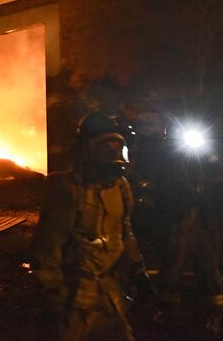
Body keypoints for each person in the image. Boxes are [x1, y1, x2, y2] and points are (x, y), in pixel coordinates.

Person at [29, 111, 155, 341]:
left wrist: (138, 272)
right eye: (106, 148)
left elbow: (125, 233)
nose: (114, 156)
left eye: (119, 148)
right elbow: (47, 251)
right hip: (73, 300)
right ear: (86, 150)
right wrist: (53, 299)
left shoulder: (121, 187)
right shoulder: (67, 191)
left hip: (109, 293)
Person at [154, 123, 223, 335]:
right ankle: (167, 309)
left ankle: (214, 313)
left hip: (204, 219)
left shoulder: (206, 155)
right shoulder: (167, 157)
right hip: (178, 218)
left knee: (208, 267)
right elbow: (161, 184)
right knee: (172, 265)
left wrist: (210, 156)